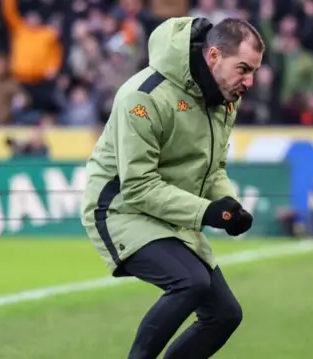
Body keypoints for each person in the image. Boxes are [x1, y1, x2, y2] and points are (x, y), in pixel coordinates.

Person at [80, 16, 265, 359]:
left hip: (170, 214)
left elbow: (213, 169)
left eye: (253, 71)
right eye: (243, 68)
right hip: (120, 208)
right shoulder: (143, 96)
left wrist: (229, 205)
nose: (249, 81)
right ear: (213, 56)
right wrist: (205, 211)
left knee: (224, 315)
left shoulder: (226, 99)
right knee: (190, 281)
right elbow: (137, 187)